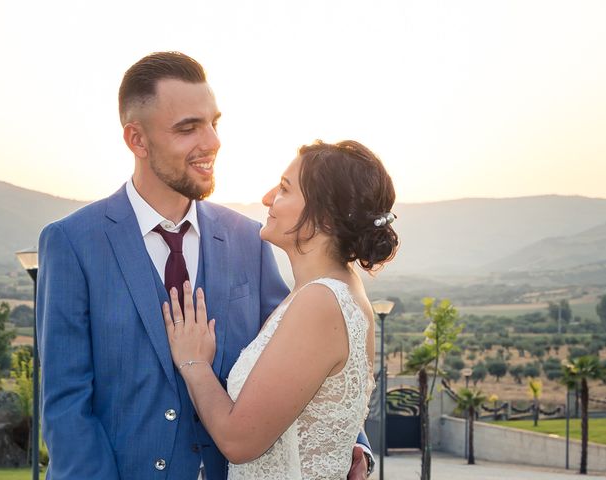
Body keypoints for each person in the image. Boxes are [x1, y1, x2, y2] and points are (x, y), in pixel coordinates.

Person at [37, 52, 373, 479]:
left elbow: (306, 353)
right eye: (188, 128)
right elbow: (66, 405)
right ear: (137, 140)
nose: (212, 141)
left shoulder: (248, 239)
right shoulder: (72, 242)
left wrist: (348, 441)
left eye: (214, 122)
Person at [163, 140, 398, 479]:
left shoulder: (320, 302)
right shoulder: (329, 290)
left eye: (285, 189)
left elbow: (239, 441)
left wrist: (195, 364)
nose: (268, 197)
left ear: (324, 215)